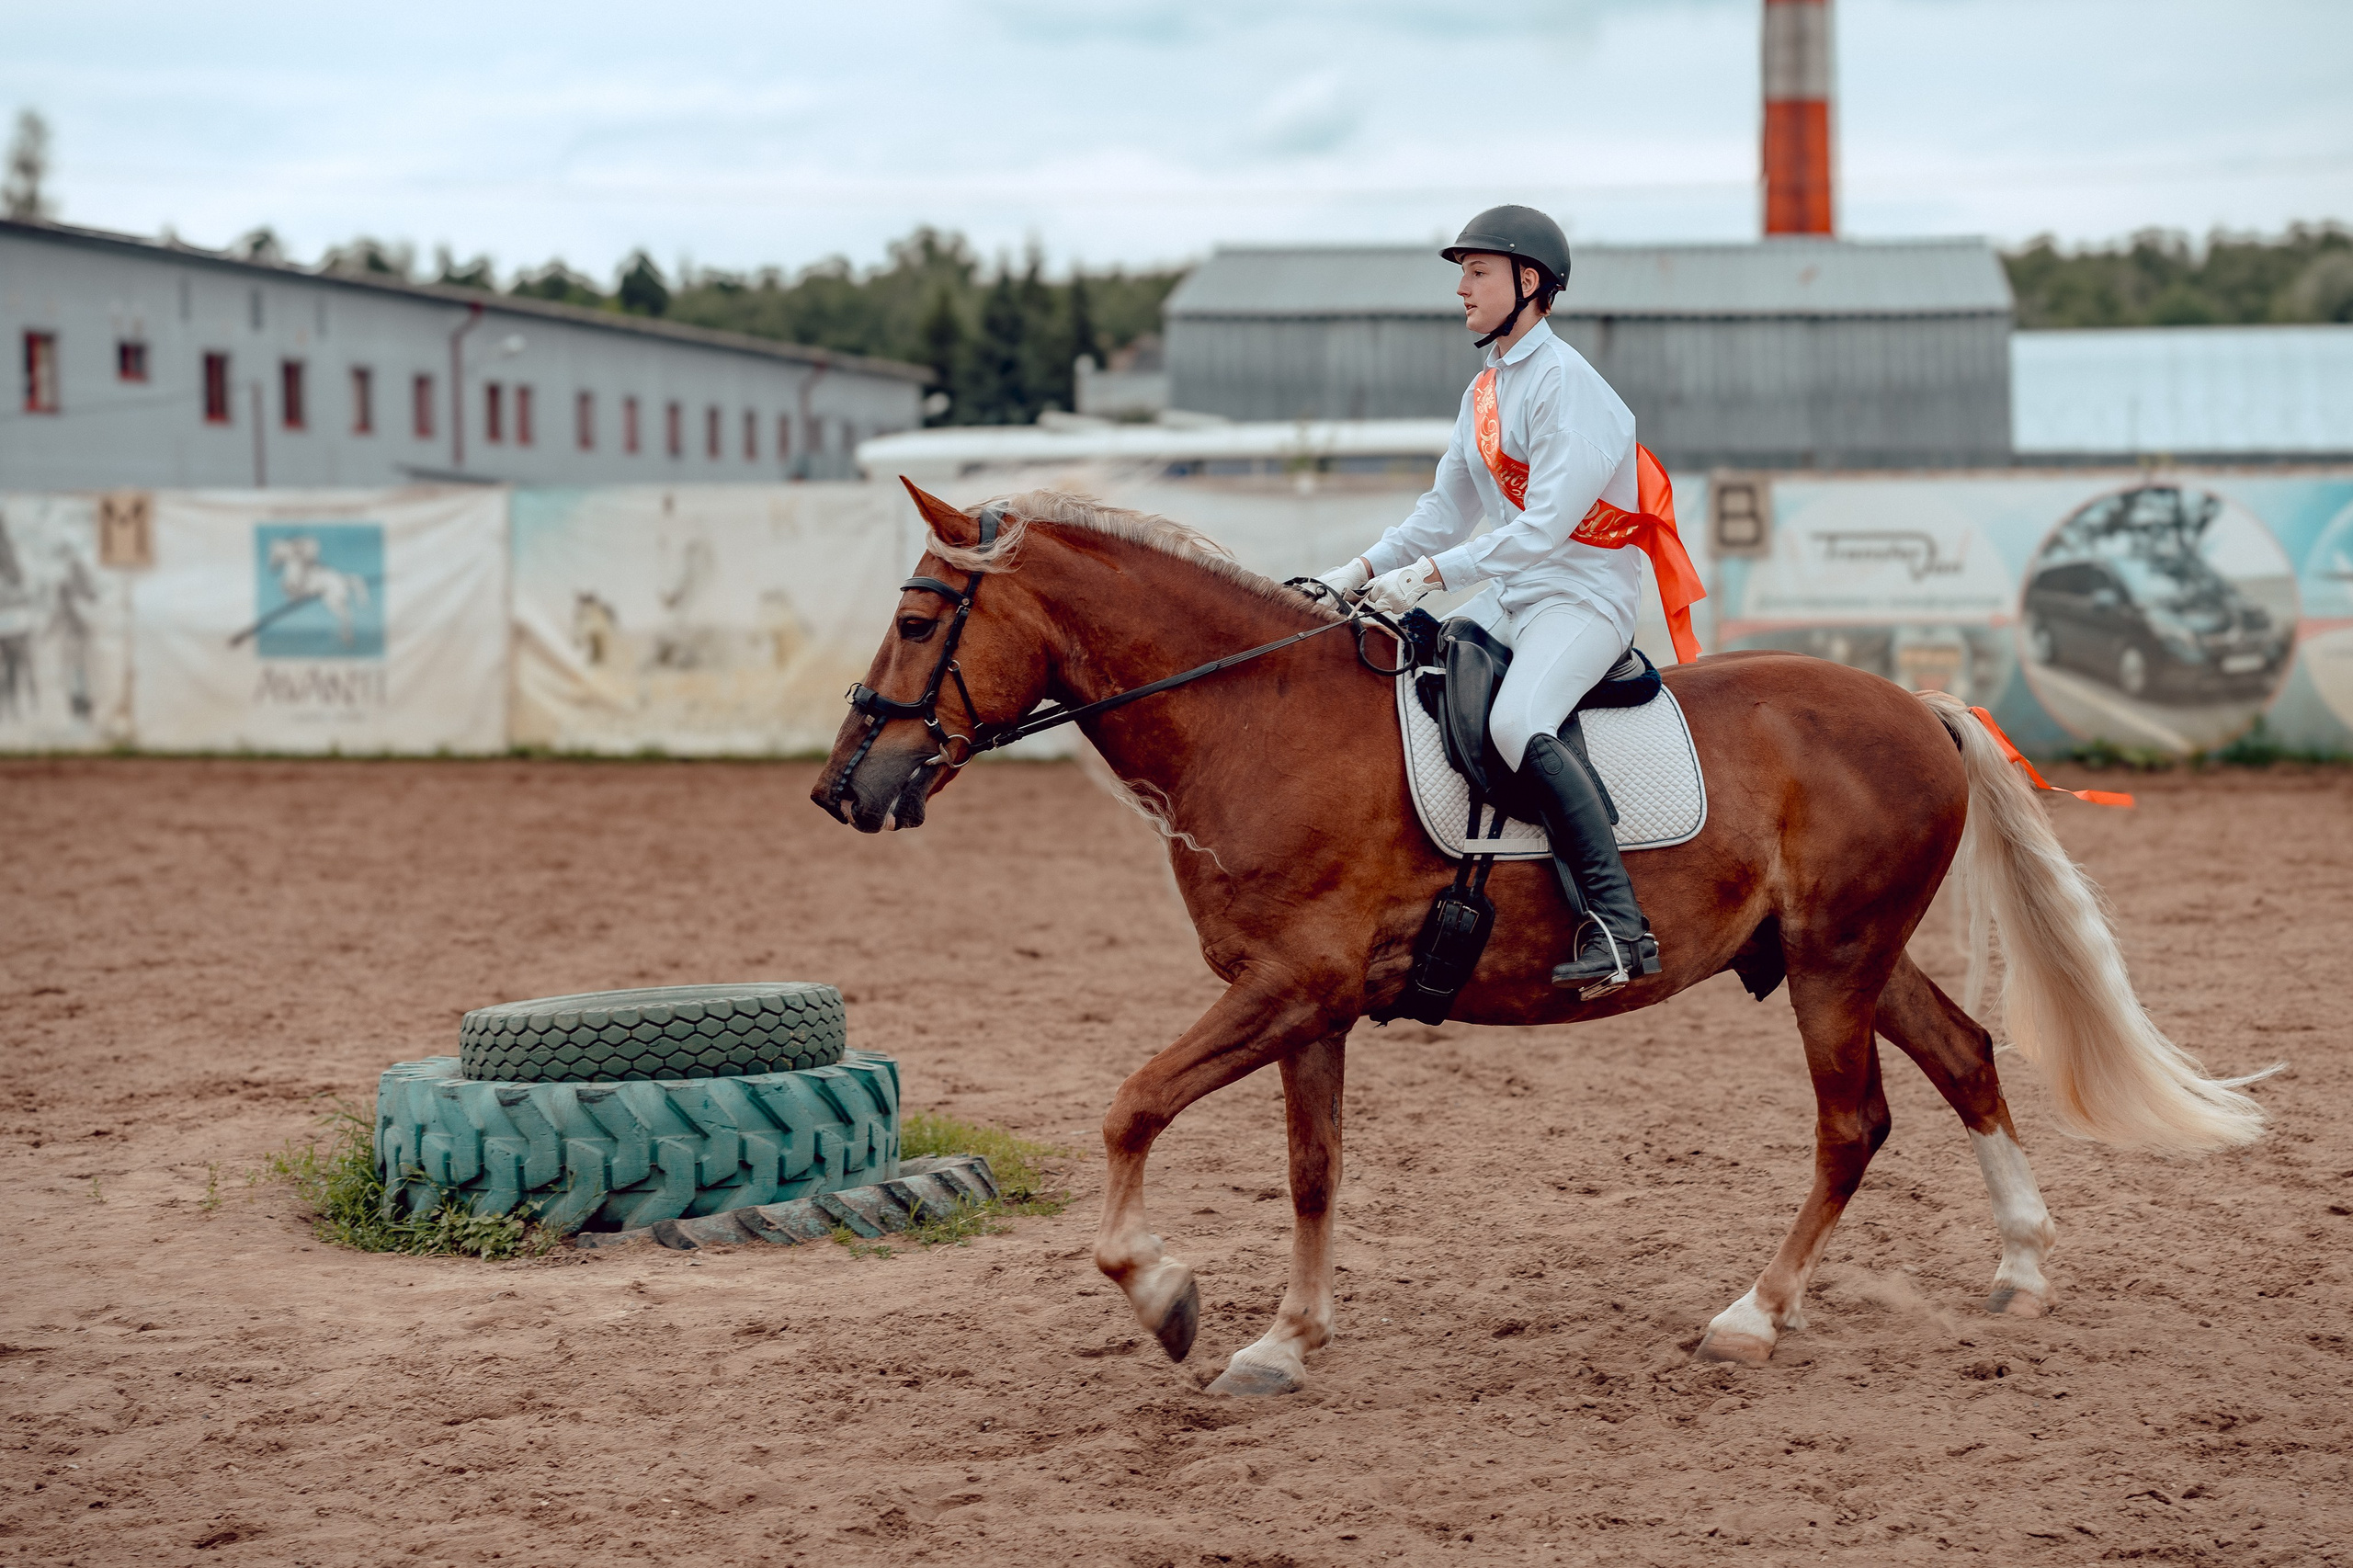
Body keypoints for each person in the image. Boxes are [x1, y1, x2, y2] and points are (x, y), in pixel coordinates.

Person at [1313, 204, 1689, 997]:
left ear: (1530, 282)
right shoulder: (1484, 391)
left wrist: (1436, 575)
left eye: (1477, 271)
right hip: (1515, 595)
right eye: (1462, 272)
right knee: (1407, 661)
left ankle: (1621, 929)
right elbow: (1440, 514)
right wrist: (1353, 574)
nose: (1462, 288)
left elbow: (1549, 525)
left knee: (1519, 721)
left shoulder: (1569, 385)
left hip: (1582, 597)